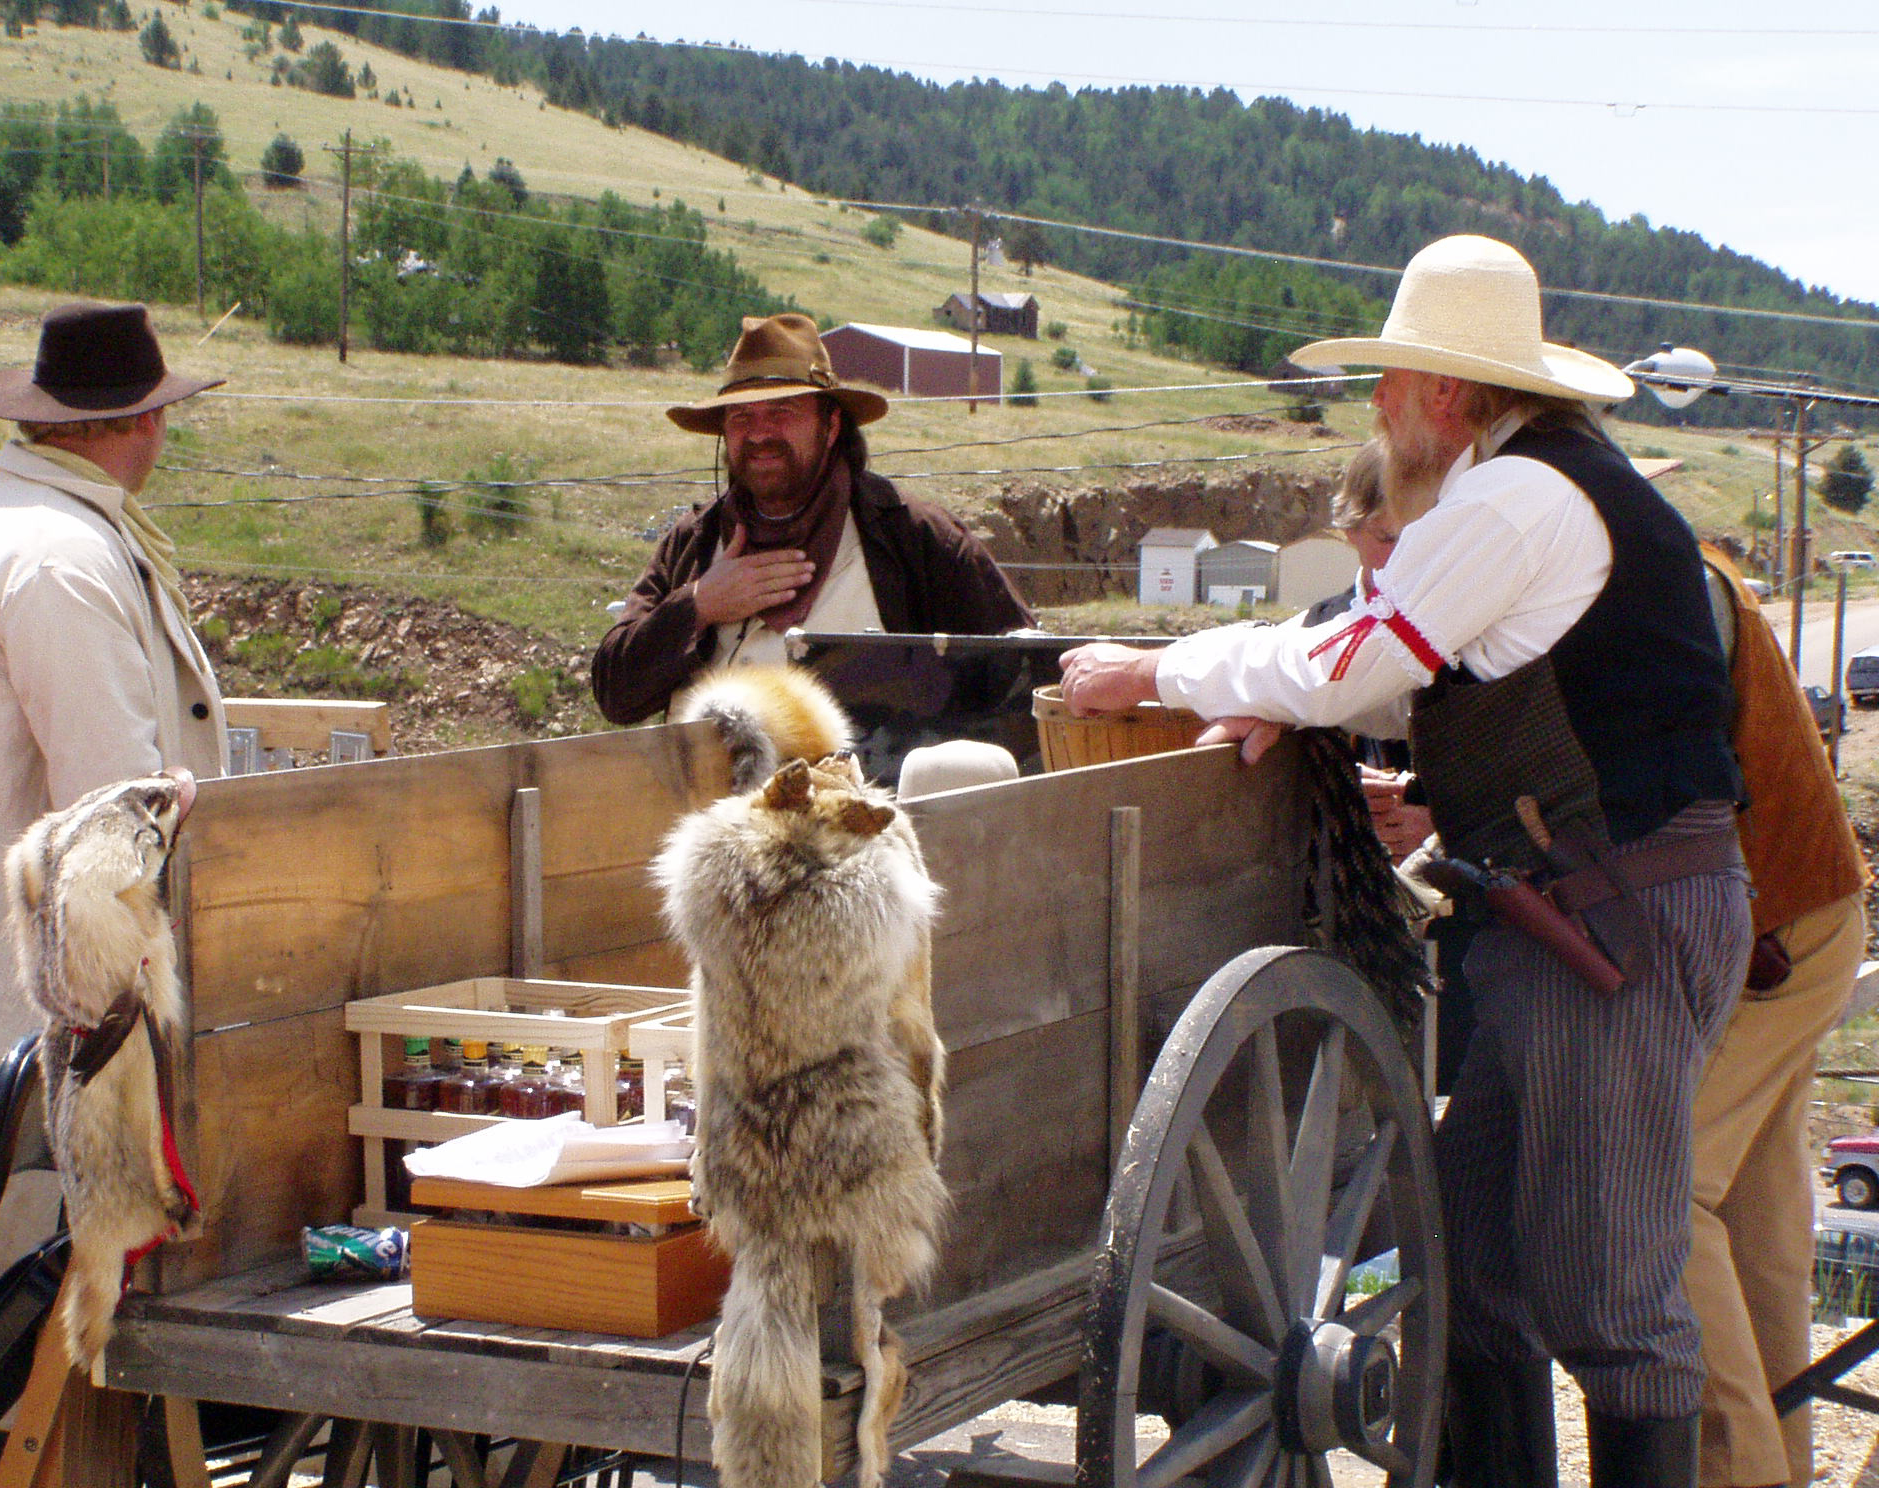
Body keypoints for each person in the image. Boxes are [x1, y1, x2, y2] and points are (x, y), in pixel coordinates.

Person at [1060, 234, 1752, 1488]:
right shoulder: (1532, 489)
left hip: (1613, 925)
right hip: (1575, 914)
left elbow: (1362, 660)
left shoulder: (1516, 499)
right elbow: (1389, 665)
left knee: (1611, 1300)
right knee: (1471, 1264)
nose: (1374, 408)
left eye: (1388, 382)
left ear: (1443, 392)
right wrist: (1302, 691)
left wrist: (1155, 673)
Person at [0, 301, 227, 1379]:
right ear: (134, 422)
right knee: (19, 1334)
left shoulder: (36, 533)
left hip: (16, 984)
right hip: (49, 1013)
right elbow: (113, 821)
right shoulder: (59, 561)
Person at [590, 313, 1033, 724]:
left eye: (782, 412)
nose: (760, 433)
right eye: (741, 416)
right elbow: (615, 694)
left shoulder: (913, 536)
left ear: (832, 425)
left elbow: (1023, 672)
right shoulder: (693, 543)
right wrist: (698, 606)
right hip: (708, 806)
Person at [1688, 546, 1868, 1488]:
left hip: (1773, 935)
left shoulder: (1663, 578)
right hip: (1805, 916)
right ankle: (1778, 1469)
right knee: (1756, 1225)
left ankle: (1738, 1475)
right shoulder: (1680, 560)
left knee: (1662, 1195)